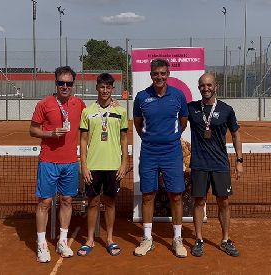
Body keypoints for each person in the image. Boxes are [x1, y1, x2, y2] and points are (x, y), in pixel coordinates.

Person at [133, 59, 189, 258]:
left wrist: (170, 138)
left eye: (163, 73)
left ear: (168, 74)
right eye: (156, 73)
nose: (159, 77)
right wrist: (150, 140)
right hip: (149, 152)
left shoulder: (178, 96)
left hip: (172, 152)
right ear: (151, 75)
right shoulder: (141, 98)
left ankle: (177, 239)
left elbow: (183, 121)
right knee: (148, 195)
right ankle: (147, 238)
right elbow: (138, 124)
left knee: (176, 195)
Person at [30, 66, 86, 263]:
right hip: (48, 161)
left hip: (70, 162)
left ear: (73, 84)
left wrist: (111, 103)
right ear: (55, 83)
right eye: (61, 82)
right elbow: (33, 130)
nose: (64, 86)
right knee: (45, 202)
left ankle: (62, 240)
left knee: (67, 201)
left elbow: (92, 121)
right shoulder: (44, 104)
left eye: (68, 83)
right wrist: (50, 134)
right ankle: (42, 243)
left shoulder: (79, 104)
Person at [188, 73, 243, 257]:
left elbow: (235, 135)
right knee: (199, 202)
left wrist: (239, 160)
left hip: (220, 164)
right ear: (199, 87)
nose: (206, 88)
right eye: (202, 85)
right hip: (199, 164)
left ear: (216, 86)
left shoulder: (226, 109)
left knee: (224, 202)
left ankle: (226, 239)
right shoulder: (192, 108)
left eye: (209, 85)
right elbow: (170, 112)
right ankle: (198, 239)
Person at [77, 73, 128, 257]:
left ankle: (110, 239)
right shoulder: (87, 111)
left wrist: (124, 162)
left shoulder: (120, 111)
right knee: (92, 202)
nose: (105, 90)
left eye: (108, 87)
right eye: (102, 87)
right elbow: (83, 140)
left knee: (110, 203)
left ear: (112, 89)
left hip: (113, 165)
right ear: (97, 87)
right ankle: (90, 239)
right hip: (93, 165)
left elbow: (124, 139)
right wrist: (84, 165)